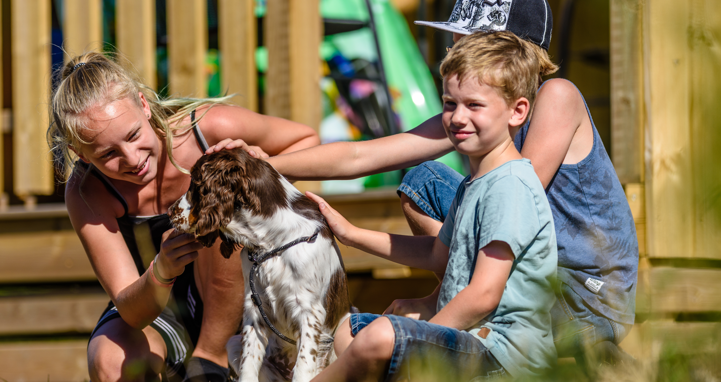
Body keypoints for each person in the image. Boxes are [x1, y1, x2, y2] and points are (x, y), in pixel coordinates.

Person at [263, 0, 638, 373]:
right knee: (422, 180)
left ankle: (465, 310)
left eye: (462, 39)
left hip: (581, 294)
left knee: (481, 203)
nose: (452, 48)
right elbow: (361, 157)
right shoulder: (475, 110)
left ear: (501, 49)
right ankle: (457, 302)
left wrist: (430, 317)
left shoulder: (556, 96)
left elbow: (516, 204)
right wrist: (267, 166)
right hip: (518, 271)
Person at [47, 51, 320, 382]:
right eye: (108, 154)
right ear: (81, 154)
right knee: (111, 359)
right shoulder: (88, 192)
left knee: (218, 201)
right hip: (159, 309)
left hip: (244, 293)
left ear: (144, 106)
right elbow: (131, 309)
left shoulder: (208, 129)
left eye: (133, 135)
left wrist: (260, 168)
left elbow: (306, 139)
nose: (132, 159)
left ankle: (211, 362)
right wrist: (161, 269)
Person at [304, 31, 558, 381]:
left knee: (381, 337)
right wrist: (352, 234)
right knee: (348, 331)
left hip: (504, 357)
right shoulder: (476, 182)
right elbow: (439, 255)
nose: (457, 117)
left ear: (517, 111)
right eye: (450, 103)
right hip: (472, 340)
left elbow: (484, 294)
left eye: (474, 105)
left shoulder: (509, 186)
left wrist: (424, 341)